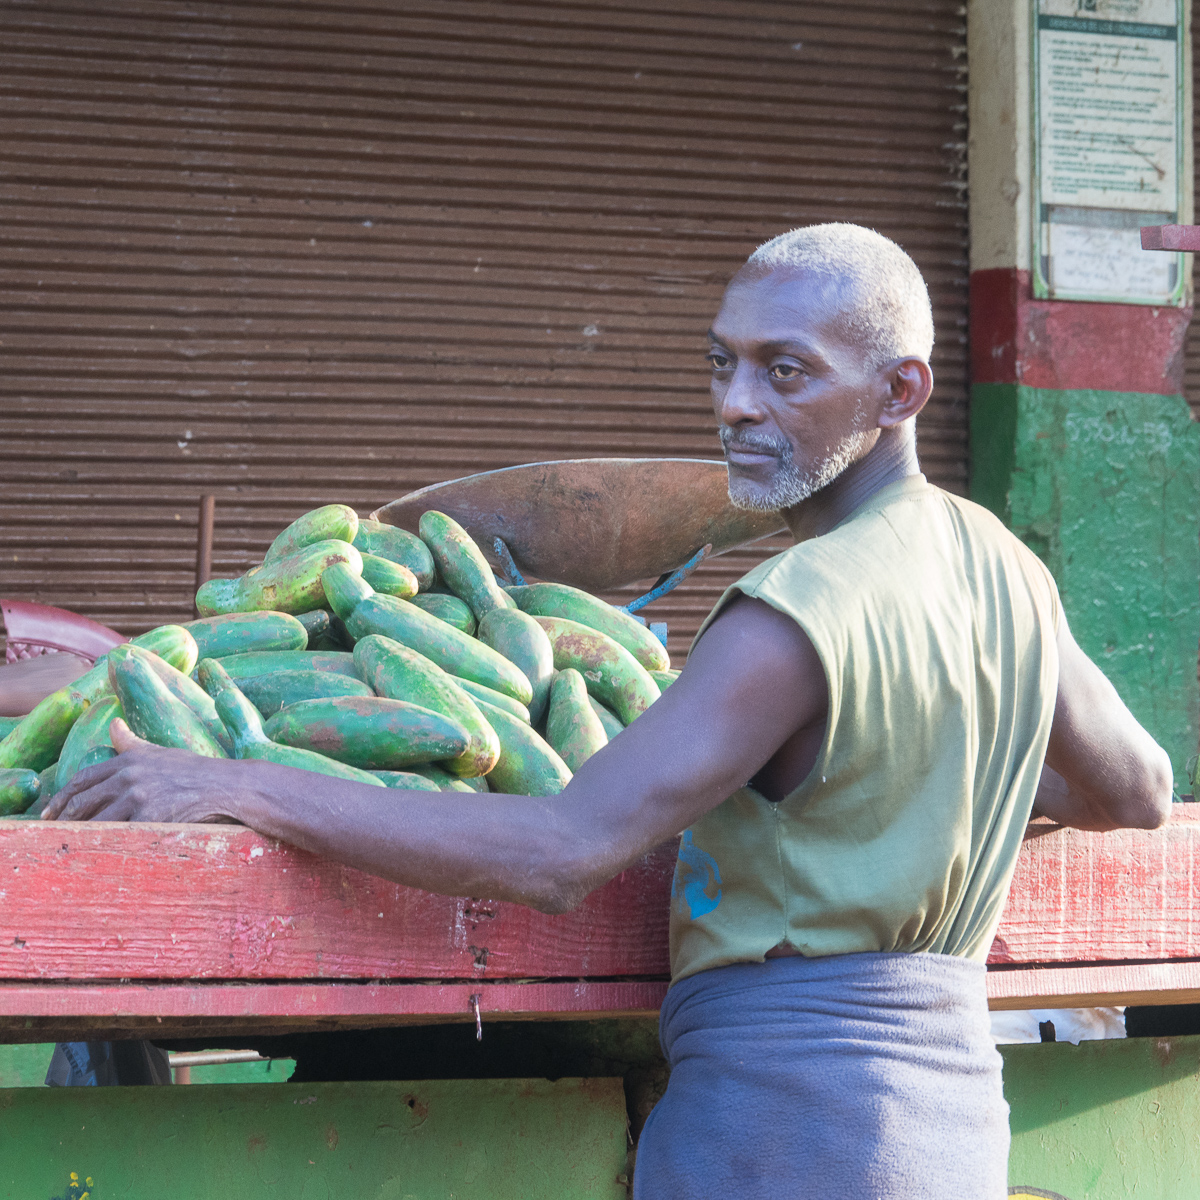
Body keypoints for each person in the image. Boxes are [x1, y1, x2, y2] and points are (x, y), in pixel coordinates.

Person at [43, 224, 1172, 1198]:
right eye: (722, 364)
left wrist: (238, 783)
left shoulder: (790, 613)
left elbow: (562, 848)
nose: (736, 404)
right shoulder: (1002, 564)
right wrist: (920, 780)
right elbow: (1137, 788)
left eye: (788, 373)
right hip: (950, 1124)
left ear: (901, 393)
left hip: (782, 1135)